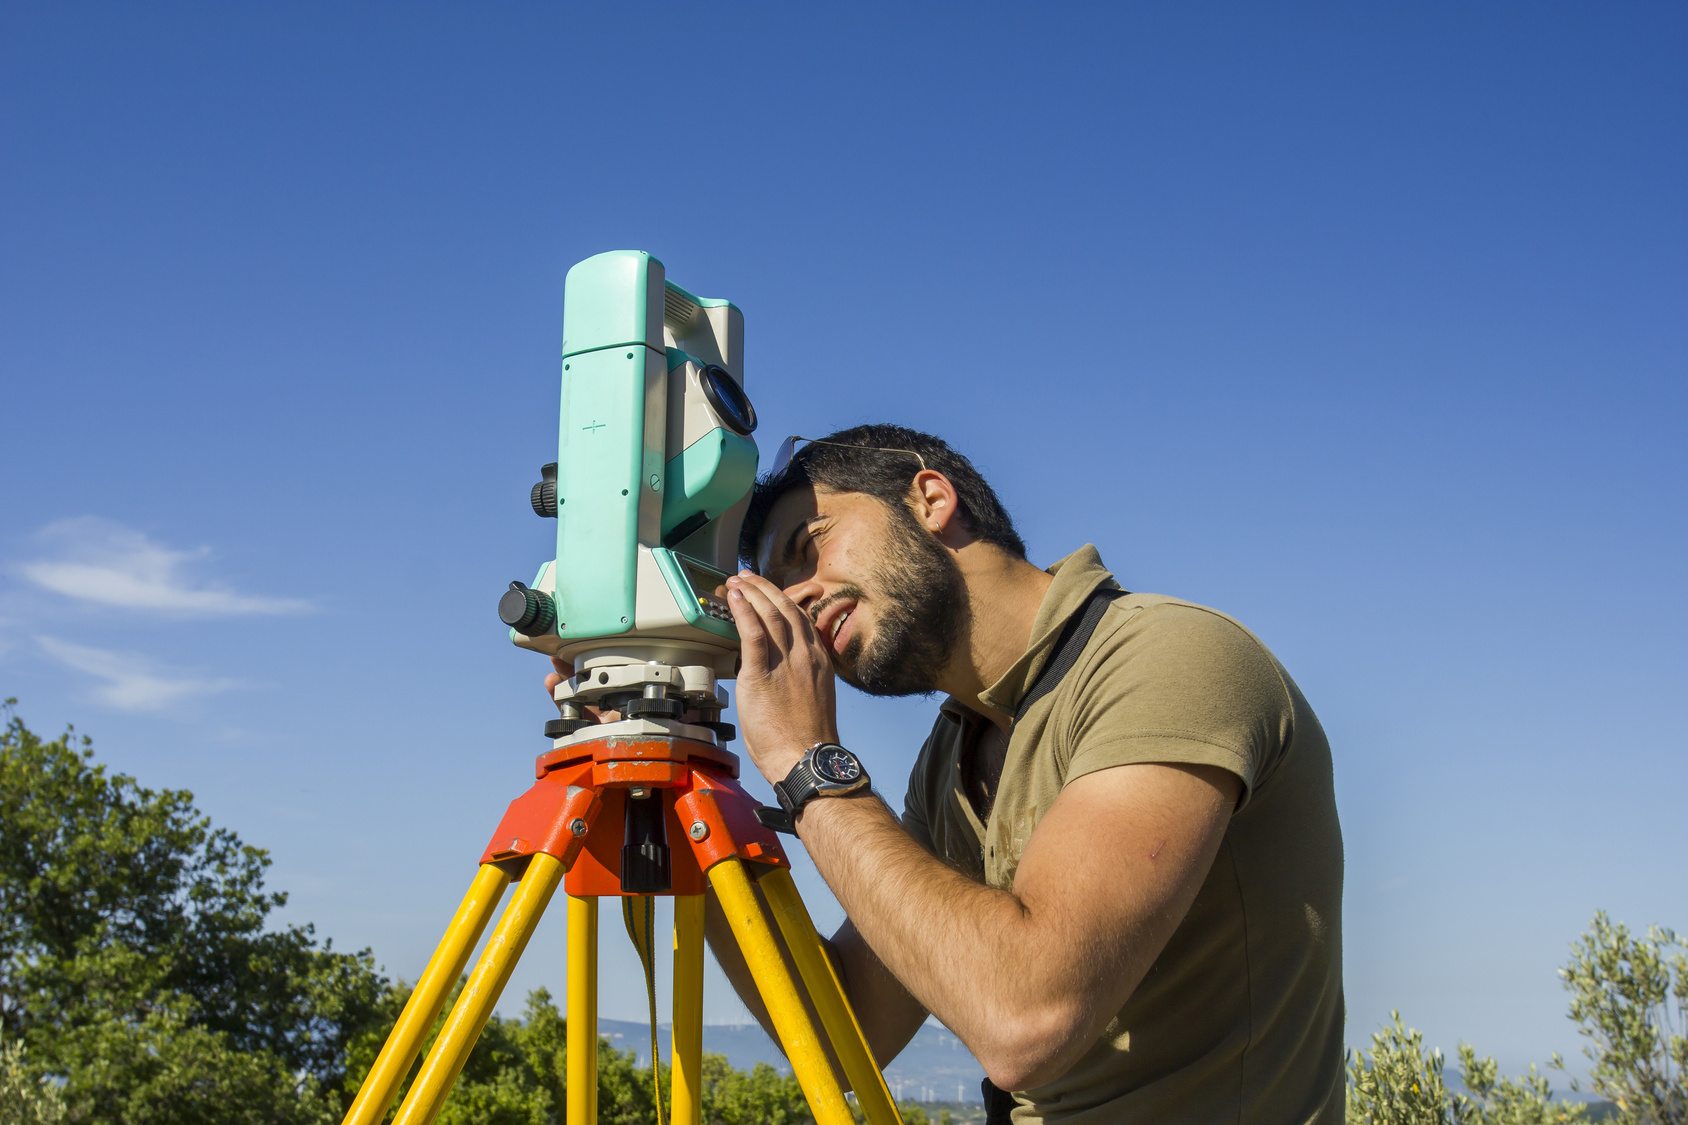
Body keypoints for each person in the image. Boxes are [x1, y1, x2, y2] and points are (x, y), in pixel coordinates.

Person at [553, 424, 1345, 1123]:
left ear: (930, 498)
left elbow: (1028, 1016)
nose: (795, 596)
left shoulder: (1165, 659)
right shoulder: (954, 752)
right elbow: (842, 1032)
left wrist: (807, 762)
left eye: (809, 543)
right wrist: (687, 778)